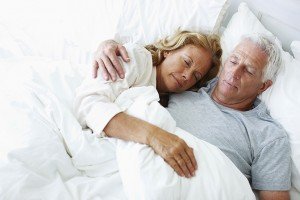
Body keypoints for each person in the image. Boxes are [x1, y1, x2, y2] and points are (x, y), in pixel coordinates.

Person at [93, 34, 291, 200]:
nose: (234, 72)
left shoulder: (269, 135)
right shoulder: (193, 81)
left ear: (263, 86)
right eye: (233, 61)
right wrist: (107, 45)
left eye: (248, 70)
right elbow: (155, 59)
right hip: (137, 168)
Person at [74, 30, 222, 178]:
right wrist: (154, 136)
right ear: (169, 51)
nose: (186, 76)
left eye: (195, 76)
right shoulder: (137, 58)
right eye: (186, 62)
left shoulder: (169, 102)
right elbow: (88, 105)